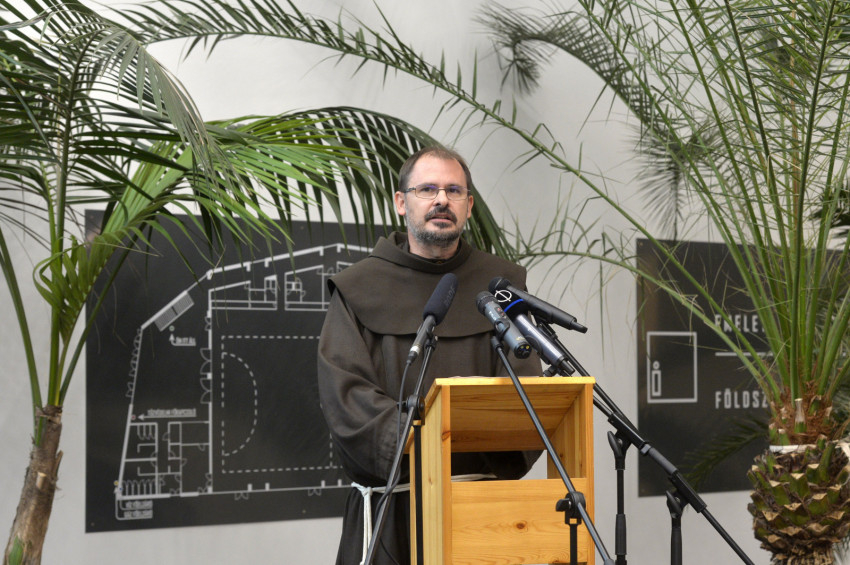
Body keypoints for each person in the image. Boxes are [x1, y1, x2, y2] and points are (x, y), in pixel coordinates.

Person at [317, 146, 542, 565]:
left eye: (454, 191)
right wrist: (430, 439)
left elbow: (525, 388)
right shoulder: (357, 288)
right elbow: (345, 395)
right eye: (428, 189)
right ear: (402, 202)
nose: (442, 200)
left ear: (468, 206)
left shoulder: (502, 286)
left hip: (483, 513)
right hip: (393, 514)